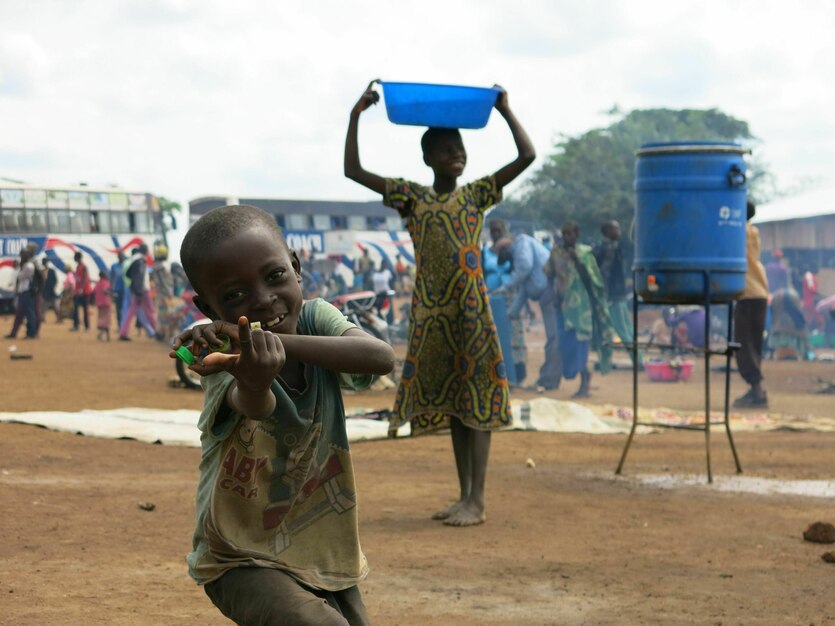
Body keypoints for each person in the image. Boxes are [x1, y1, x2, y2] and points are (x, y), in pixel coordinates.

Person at [171, 204, 394, 625]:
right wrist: (253, 373)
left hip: (321, 547)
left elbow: (379, 357)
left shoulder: (315, 317)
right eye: (235, 296)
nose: (263, 299)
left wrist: (273, 341)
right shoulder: (223, 356)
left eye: (275, 276)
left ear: (295, 267)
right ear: (207, 307)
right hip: (239, 553)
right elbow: (254, 405)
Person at [345, 79, 536, 526]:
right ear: (427, 157)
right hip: (433, 315)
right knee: (455, 403)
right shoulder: (412, 197)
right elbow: (354, 171)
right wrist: (356, 116)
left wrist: (506, 110)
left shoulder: (477, 194)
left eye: (460, 147)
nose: (457, 153)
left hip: (471, 311)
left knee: (477, 400)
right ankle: (464, 495)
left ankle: (478, 500)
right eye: (447, 148)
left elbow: (526, 157)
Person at [544, 221, 614, 398]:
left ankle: (585, 381)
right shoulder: (556, 253)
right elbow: (549, 273)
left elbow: (593, 280)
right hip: (562, 306)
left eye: (570, 234)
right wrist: (553, 294)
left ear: (577, 235)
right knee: (564, 344)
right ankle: (571, 375)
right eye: (564, 234)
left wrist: (576, 260)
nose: (567, 237)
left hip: (582, 309)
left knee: (580, 345)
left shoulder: (585, 253)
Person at [491, 227, 562, 391]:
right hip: (545, 295)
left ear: (505, 247)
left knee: (554, 338)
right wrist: (510, 313)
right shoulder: (519, 255)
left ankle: (549, 379)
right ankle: (549, 377)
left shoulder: (522, 244)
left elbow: (524, 268)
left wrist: (505, 286)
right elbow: (524, 290)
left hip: (550, 293)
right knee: (553, 338)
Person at [732, 200, 769, 408]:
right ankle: (757, 390)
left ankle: (756, 390)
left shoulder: (737, 232)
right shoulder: (754, 231)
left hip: (746, 292)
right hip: (761, 291)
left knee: (744, 344)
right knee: (754, 343)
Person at [484, 219, 529, 386]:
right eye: (493, 230)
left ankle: (517, 373)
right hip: (492, 299)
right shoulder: (485, 252)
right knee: (496, 335)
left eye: (498, 230)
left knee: (514, 334)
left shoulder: (511, 250)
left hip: (511, 298)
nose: (495, 233)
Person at [593, 219, 643, 369]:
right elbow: (605, 274)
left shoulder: (611, 248)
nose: (619, 232)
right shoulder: (608, 249)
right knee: (624, 328)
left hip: (614, 296)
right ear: (607, 232)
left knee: (617, 329)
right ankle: (637, 360)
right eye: (616, 229)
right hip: (613, 297)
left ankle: (630, 361)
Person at [119, 243, 157, 341]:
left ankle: (123, 332)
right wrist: (140, 291)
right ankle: (157, 331)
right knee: (150, 310)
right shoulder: (141, 261)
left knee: (131, 311)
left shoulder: (133, 259)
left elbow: (128, 274)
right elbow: (141, 277)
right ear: (145, 251)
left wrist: (135, 288)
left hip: (136, 289)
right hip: (143, 290)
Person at [4, 247, 39, 339]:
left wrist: (19, 272)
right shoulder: (24, 265)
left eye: (23, 255)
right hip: (23, 292)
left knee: (29, 313)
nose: (21, 257)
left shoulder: (29, 266)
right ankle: (13, 333)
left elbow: (20, 277)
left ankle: (32, 333)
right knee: (19, 315)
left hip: (27, 292)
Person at [71, 251, 92, 332]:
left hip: (85, 292)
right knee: (75, 308)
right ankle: (76, 325)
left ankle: (87, 327)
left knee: (85, 309)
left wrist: (81, 289)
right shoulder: (78, 267)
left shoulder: (84, 267)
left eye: (75, 257)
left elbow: (85, 279)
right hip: (78, 291)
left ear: (77, 258)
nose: (74, 259)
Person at [92, 270, 112, 341]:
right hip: (105, 303)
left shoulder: (98, 283)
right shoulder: (106, 283)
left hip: (99, 303)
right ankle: (107, 336)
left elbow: (94, 291)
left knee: (100, 317)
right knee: (106, 319)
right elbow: (105, 290)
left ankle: (101, 332)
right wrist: (111, 294)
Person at [41, 258, 62, 323]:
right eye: (44, 262)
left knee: (55, 306)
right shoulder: (41, 272)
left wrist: (52, 287)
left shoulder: (52, 271)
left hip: (51, 291)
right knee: (43, 306)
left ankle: (59, 318)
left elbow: (55, 280)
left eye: (46, 262)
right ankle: (42, 318)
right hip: (45, 291)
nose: (45, 264)